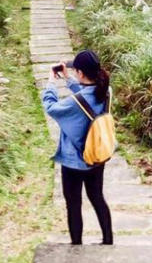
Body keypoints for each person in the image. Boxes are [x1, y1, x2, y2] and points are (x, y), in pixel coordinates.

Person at [42, 49, 113, 245]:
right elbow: (86, 97)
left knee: (74, 204)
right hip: (97, 155)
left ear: (81, 73)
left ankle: (77, 246)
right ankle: (108, 241)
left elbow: (51, 107)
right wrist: (69, 80)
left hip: (74, 162)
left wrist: (51, 82)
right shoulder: (106, 91)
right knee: (97, 198)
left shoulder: (73, 104)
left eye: (75, 71)